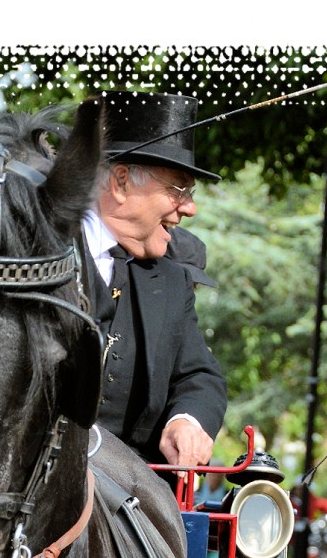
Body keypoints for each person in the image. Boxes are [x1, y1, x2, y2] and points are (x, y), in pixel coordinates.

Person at [83, 92, 228, 469]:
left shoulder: (172, 282)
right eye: (178, 189)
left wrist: (188, 420)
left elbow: (199, 375)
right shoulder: (35, 253)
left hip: (135, 493)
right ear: (120, 182)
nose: (190, 208)